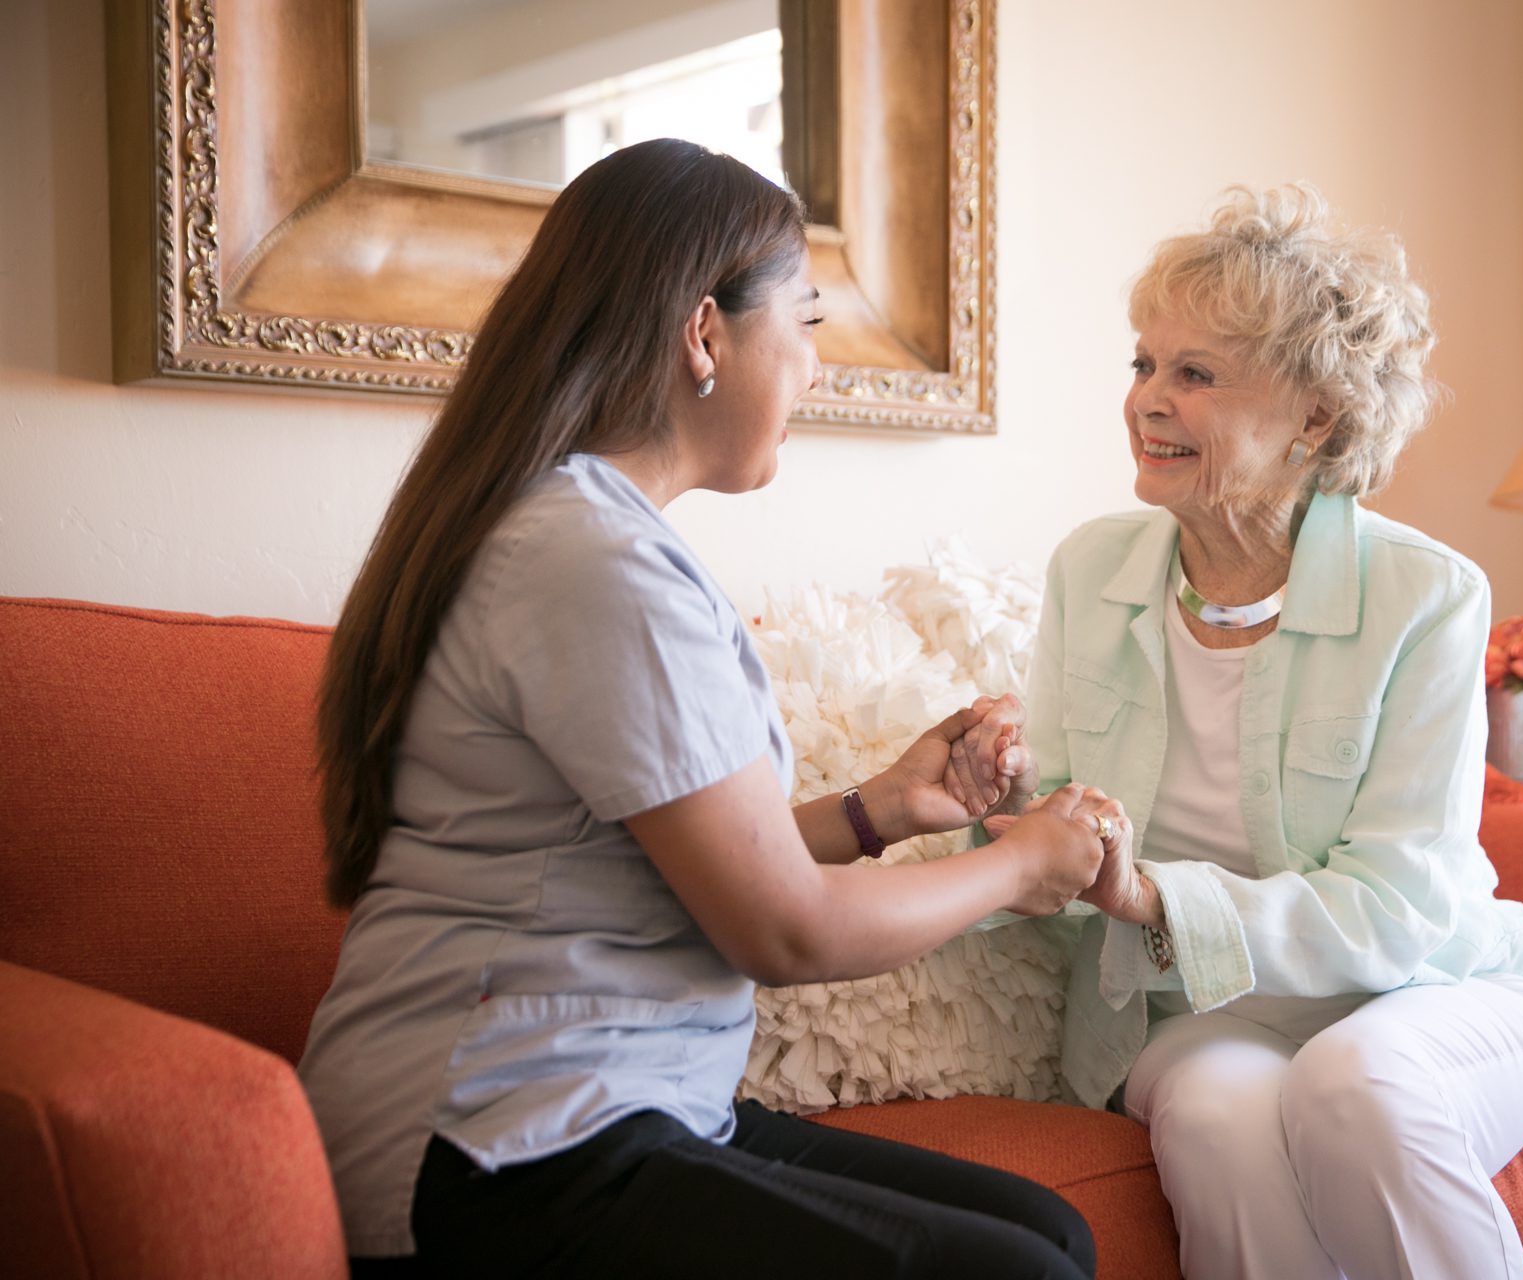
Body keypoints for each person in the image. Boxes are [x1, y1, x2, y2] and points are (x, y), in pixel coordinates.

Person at [298, 138, 1108, 1280]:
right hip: (498, 1142)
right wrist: (1027, 865)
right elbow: (781, 929)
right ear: (703, 332)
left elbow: (662, 846)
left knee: (1053, 1231)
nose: (817, 367)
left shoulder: (573, 529)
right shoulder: (592, 559)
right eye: (808, 322)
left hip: (608, 1099)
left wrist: (881, 810)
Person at [962, 184, 1523, 1279]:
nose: (1147, 399)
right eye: (1144, 363)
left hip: (1429, 991)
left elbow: (1397, 909)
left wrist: (1149, 894)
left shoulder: (1427, 594)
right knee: (1214, 1117)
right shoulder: (1089, 571)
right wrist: (995, 812)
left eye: (1195, 373)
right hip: (1203, 1011)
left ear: (1317, 416)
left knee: (1355, 1091)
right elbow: (1055, 870)